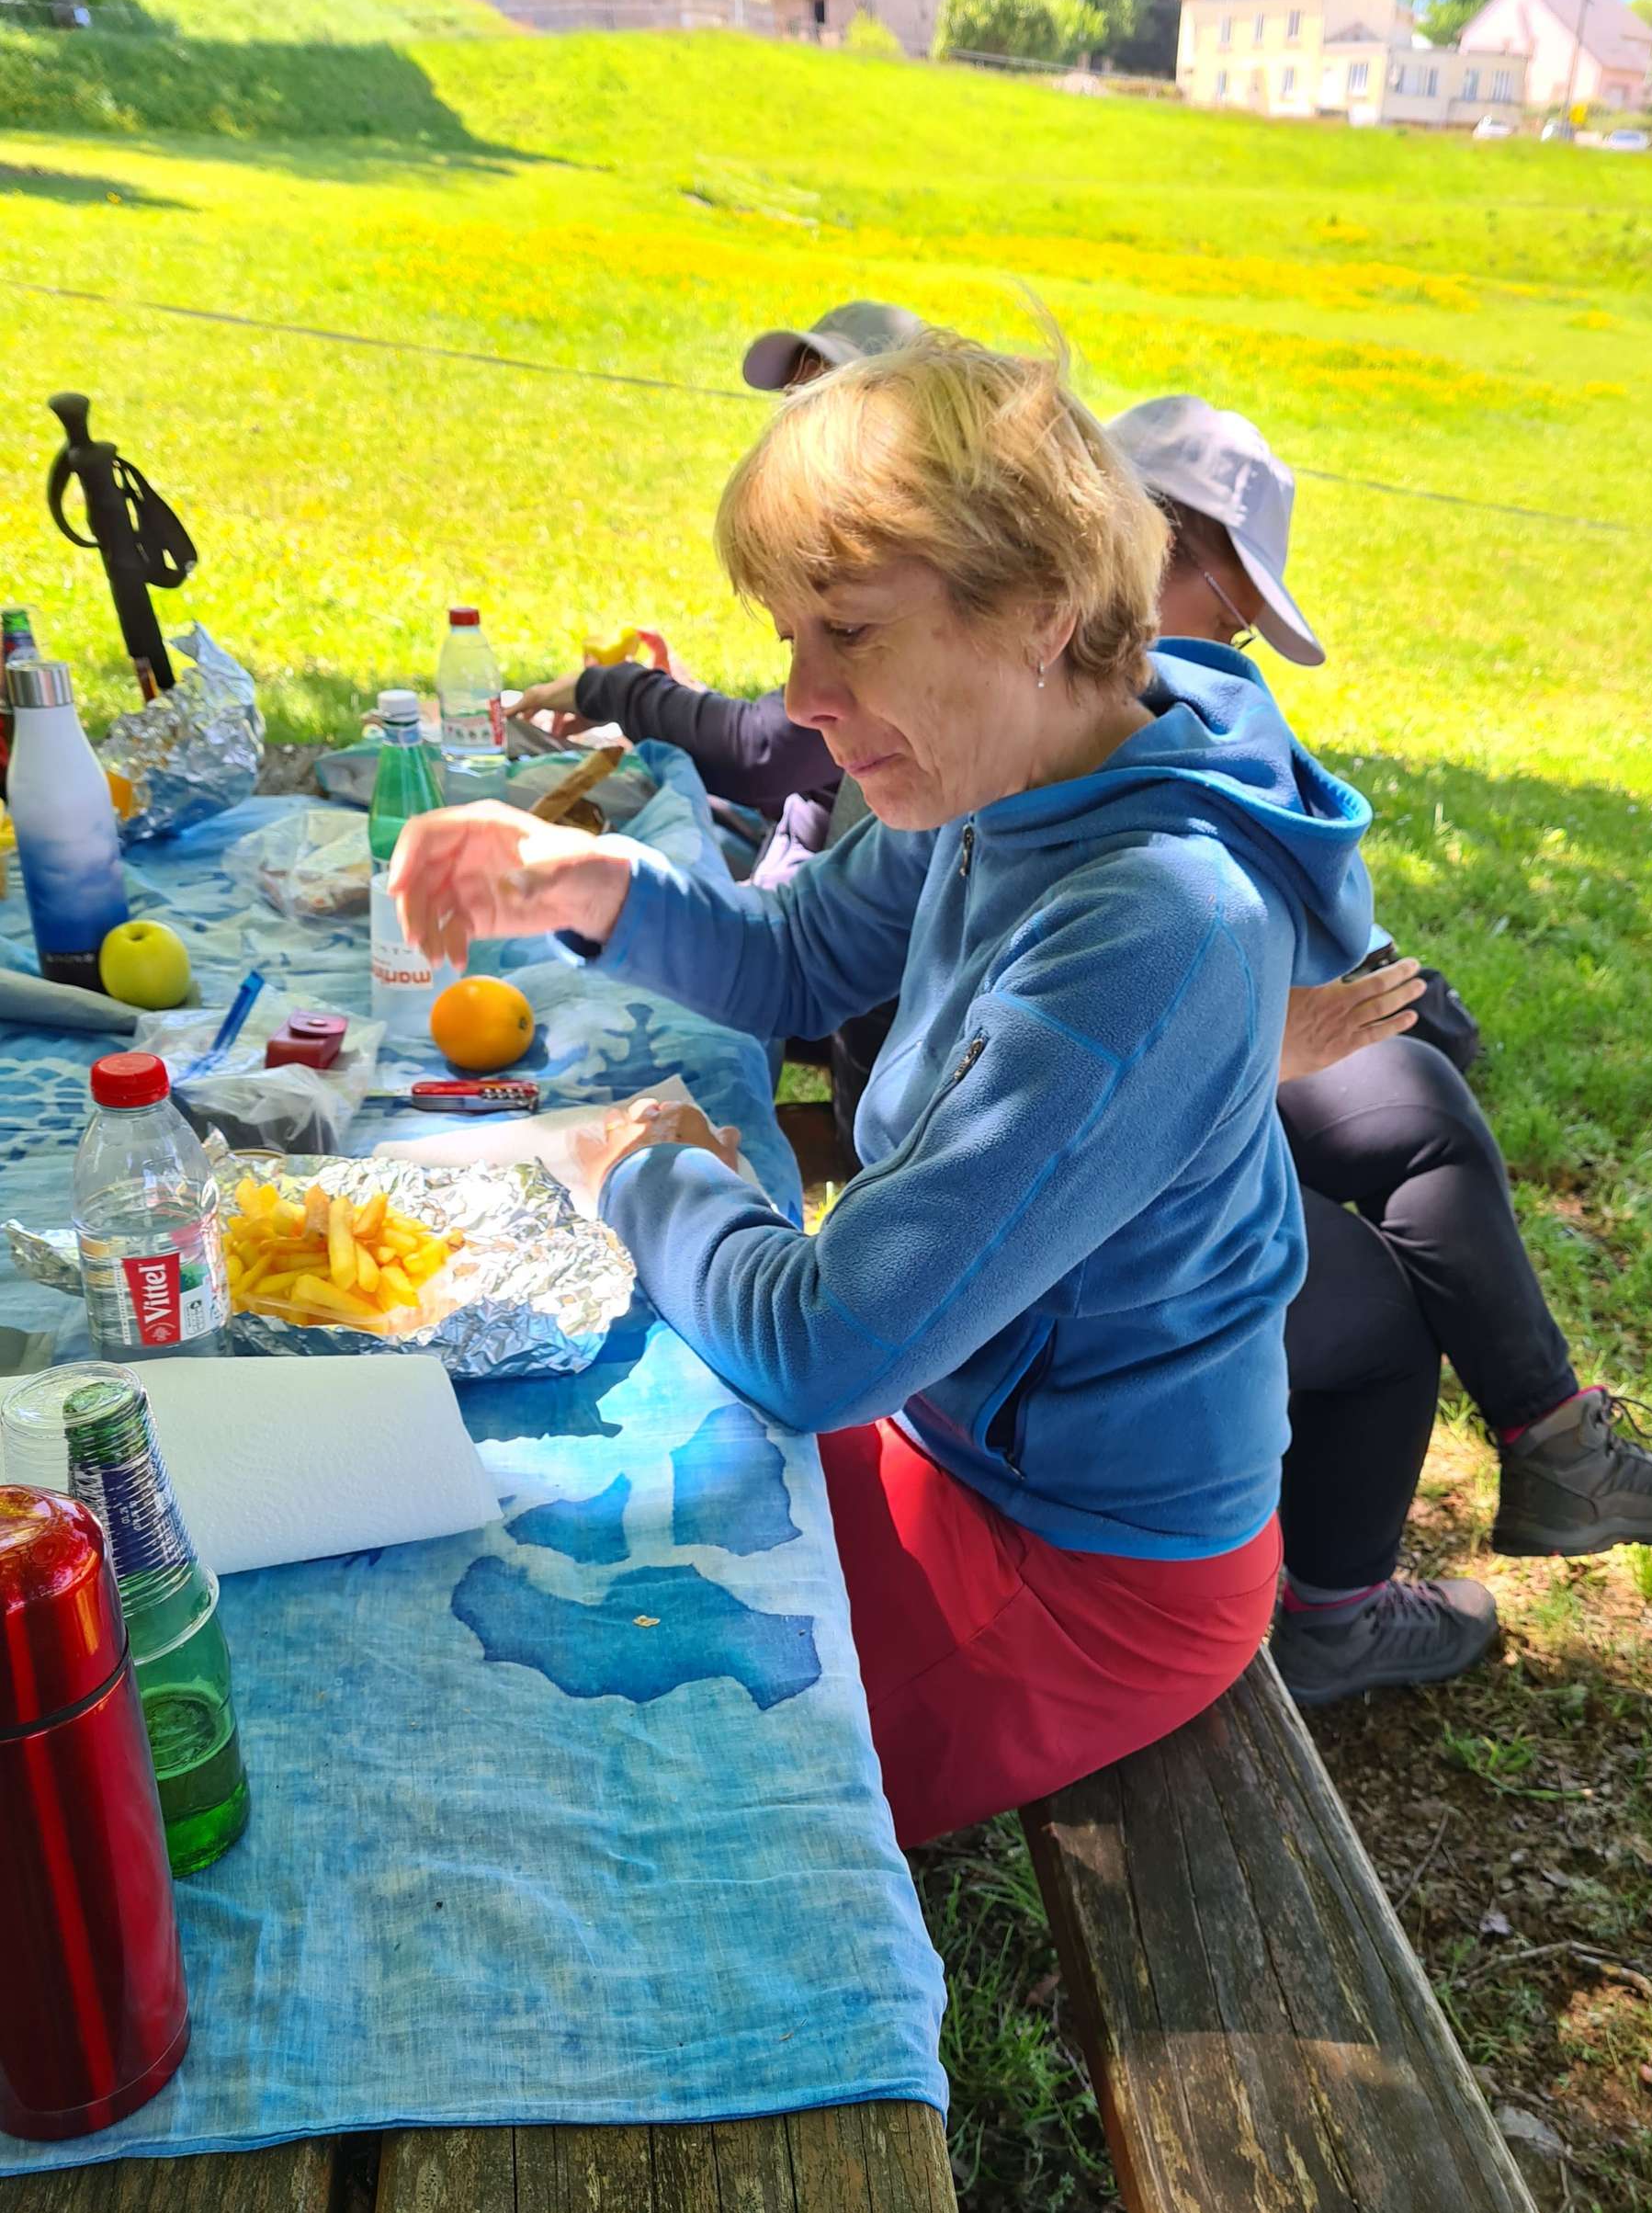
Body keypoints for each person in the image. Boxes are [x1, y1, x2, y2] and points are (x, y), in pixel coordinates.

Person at [389, 333, 1375, 1845]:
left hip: (1079, 1568)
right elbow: (797, 960)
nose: (803, 699)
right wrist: (588, 878)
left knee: (612, 1798)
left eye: (847, 631)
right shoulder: (1019, 764)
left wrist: (641, 1164)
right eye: (791, 634)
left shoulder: (1155, 924)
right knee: (491, 1532)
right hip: (944, 1423)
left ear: (1043, 610)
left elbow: (821, 1346)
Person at [1110, 395, 1652, 1707]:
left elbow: (1290, 930)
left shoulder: (1156, 697)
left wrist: (1343, 1000)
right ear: (1174, 555)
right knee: (1383, 1305)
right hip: (1087, 1157)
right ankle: (1334, 1619)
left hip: (1161, 1077)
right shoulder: (1074, 705)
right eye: (1235, 614)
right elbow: (1072, 1033)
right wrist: (1266, 1034)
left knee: (1413, 1095)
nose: (1234, 645)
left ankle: (1556, 1443)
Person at [506, 301, 921, 891]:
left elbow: (761, 752)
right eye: (792, 407)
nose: (793, 433)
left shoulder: (892, 573)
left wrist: (612, 689)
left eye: (821, 407)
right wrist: (687, 701)